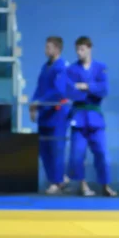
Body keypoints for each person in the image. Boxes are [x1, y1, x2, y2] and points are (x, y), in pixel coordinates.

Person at [65, 36, 117, 197]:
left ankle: (106, 185)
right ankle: (82, 184)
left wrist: (86, 86)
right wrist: (89, 91)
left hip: (95, 117)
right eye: (77, 50)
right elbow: (70, 92)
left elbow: (104, 90)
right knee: (77, 154)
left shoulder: (100, 68)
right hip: (79, 117)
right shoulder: (72, 70)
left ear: (89, 48)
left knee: (102, 153)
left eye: (82, 49)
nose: (79, 53)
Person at [30, 36, 70, 195]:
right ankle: (56, 178)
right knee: (44, 149)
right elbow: (39, 88)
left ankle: (57, 181)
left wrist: (39, 102)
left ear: (57, 49)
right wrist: (33, 105)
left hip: (57, 114)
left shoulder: (62, 67)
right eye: (46, 47)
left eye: (48, 47)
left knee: (56, 148)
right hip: (44, 114)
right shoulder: (44, 67)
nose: (45, 50)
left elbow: (59, 92)